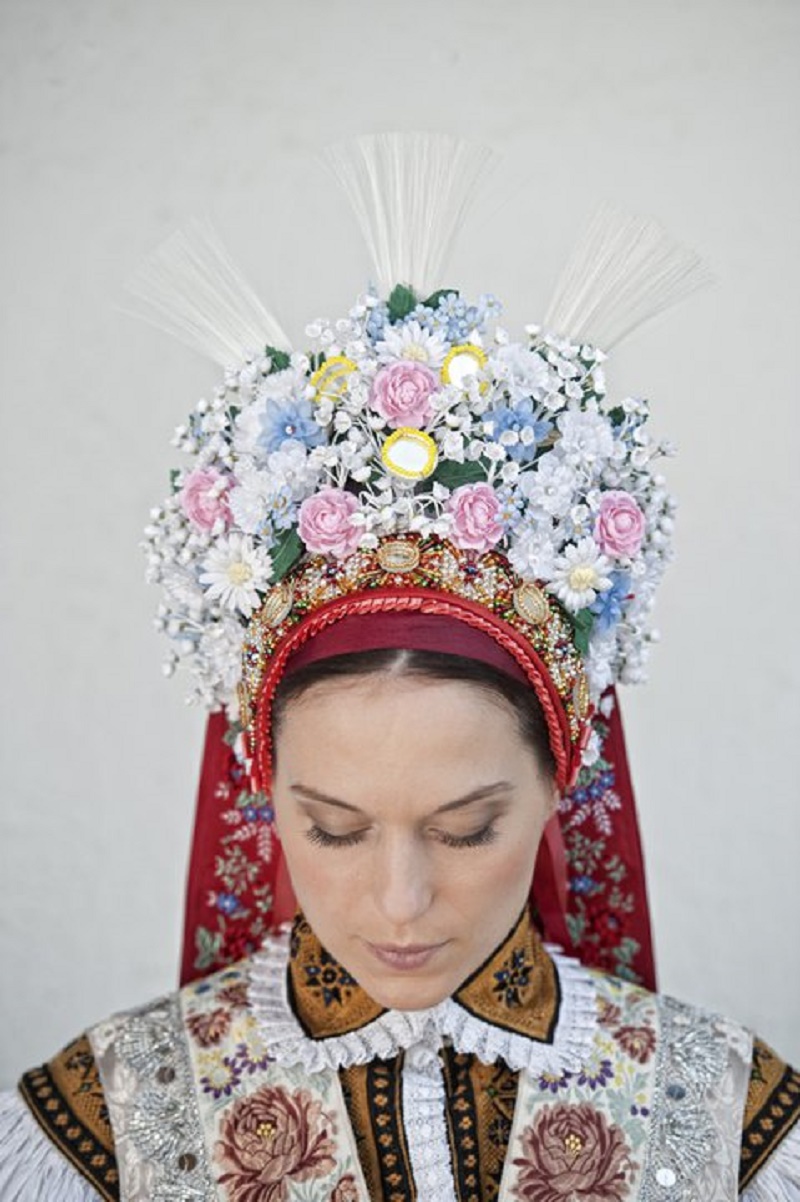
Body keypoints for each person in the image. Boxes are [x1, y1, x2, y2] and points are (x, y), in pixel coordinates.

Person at [1, 134, 798, 1201]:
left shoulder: (721, 1116)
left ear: (563, 780)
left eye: (466, 826)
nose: (400, 900)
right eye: (330, 826)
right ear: (260, 791)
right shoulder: (104, 1123)